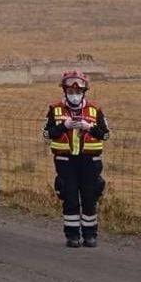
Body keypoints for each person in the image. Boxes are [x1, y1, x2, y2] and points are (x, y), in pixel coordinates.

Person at [43, 70, 110, 247]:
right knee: (70, 198)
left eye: (78, 92)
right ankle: (72, 235)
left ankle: (90, 235)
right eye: (71, 92)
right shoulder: (55, 110)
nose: (74, 96)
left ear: (84, 92)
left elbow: (105, 135)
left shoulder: (95, 111)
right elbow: (47, 133)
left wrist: (89, 127)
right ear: (65, 91)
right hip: (65, 162)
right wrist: (63, 126)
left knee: (90, 198)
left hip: (90, 162)